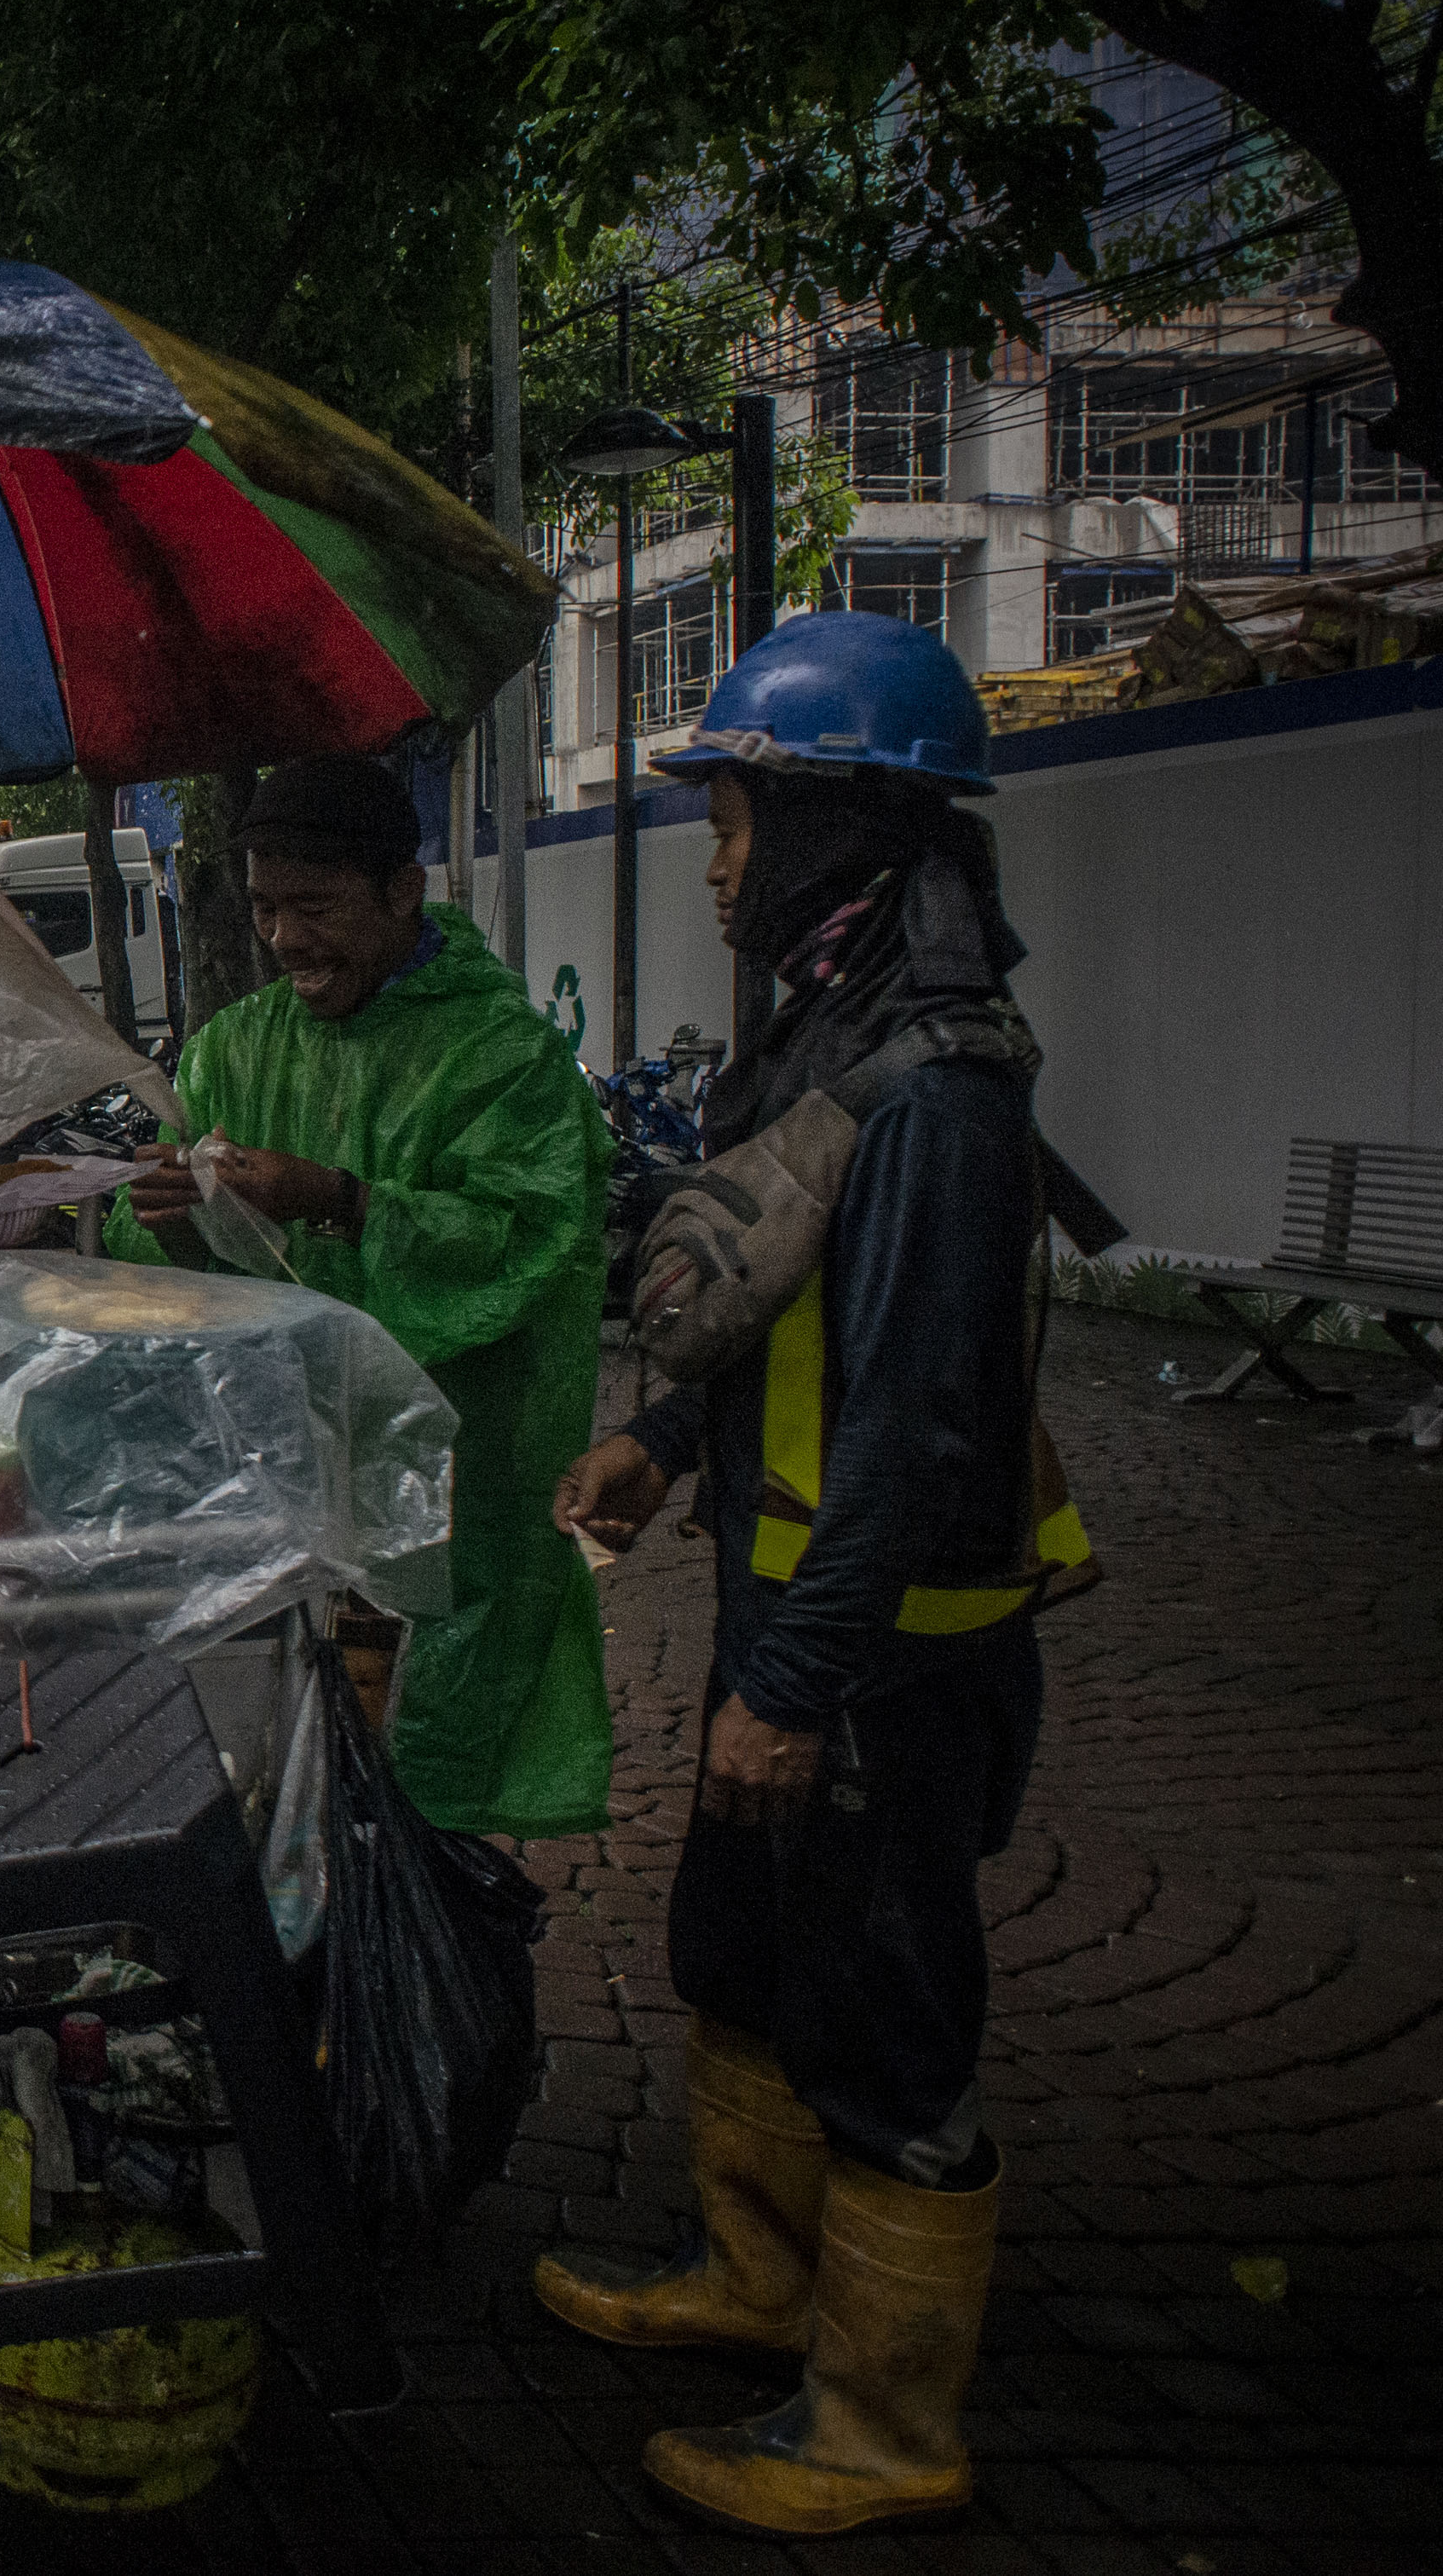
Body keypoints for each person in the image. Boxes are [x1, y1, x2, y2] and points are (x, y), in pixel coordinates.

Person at [540, 614, 1089, 2538]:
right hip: (791, 1611)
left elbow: (921, 1421)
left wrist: (792, 1687)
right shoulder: (837, 1042)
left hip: (881, 1649)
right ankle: (761, 2281)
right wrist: (663, 1438)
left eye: (737, 817)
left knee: (885, 2011)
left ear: (843, 833)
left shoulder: (939, 1088)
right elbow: (798, 1324)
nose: (716, 860)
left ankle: (879, 2419)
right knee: (746, 1957)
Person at [108, 752, 612, 1839]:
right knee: (271, 1801)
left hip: (453, 1500)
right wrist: (161, 1210)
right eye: (264, 908)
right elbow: (146, 1262)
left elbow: (528, 1242)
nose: (285, 938)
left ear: (402, 890)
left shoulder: (504, 1060)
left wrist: (338, 1198)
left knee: (433, 1805)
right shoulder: (233, 1050)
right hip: (276, 1505)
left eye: (315, 906)